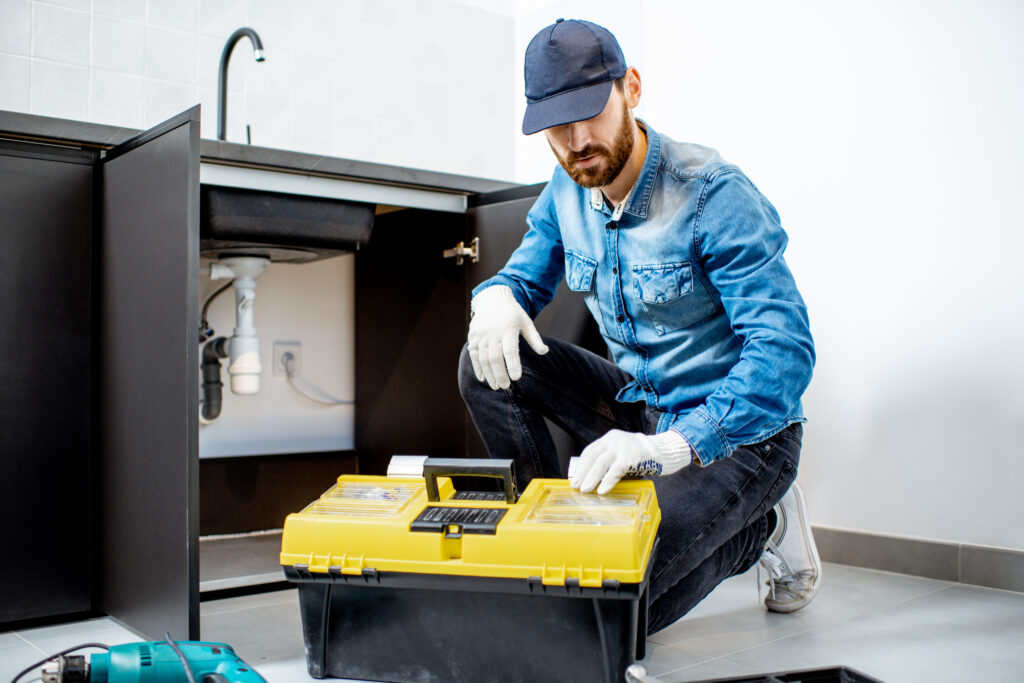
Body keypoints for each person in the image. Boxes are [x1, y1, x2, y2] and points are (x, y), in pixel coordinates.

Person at [458, 18, 820, 633]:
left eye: (590, 112)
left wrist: (667, 449)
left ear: (631, 87)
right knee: (486, 363)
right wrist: (492, 299)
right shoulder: (567, 188)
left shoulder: (714, 196)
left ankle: (764, 526)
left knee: (603, 621)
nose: (576, 141)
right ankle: (550, 538)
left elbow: (785, 354)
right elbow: (522, 277)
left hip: (737, 438)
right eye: (556, 125)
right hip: (638, 410)